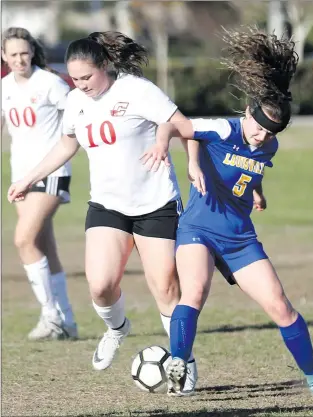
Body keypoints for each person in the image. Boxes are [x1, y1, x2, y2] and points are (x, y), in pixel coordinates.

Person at [141, 27, 313, 398]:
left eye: (271, 132)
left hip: (239, 237)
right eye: (259, 127)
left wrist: (256, 191)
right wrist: (189, 162)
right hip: (198, 229)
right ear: (247, 112)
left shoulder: (269, 147)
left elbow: (252, 167)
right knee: (195, 293)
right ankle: (179, 364)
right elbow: (177, 126)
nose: (262, 136)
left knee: (280, 306)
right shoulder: (223, 129)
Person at [7, 31, 199, 394]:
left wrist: (192, 165)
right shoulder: (76, 101)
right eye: (74, 79)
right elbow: (66, 144)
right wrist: (28, 178)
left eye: (86, 78)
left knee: (166, 289)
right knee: (100, 286)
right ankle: (117, 329)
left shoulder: (136, 90)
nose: (80, 86)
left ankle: (183, 363)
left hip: (155, 205)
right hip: (108, 205)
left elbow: (182, 125)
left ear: (105, 66)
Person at [2, 27, 78, 340]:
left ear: (32, 51)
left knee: (23, 240)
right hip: (19, 175)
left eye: (24, 52)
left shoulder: (50, 83)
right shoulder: (4, 86)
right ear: (4, 56)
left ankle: (50, 317)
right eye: (13, 54)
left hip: (51, 172)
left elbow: (76, 117)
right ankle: (67, 320)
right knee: (43, 244)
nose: (20, 59)